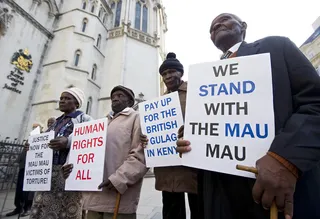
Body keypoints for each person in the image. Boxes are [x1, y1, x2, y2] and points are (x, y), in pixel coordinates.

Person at [176, 13, 320, 219]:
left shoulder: (277, 47)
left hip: (277, 198)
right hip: (221, 199)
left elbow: (315, 102)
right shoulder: (204, 79)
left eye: (224, 19)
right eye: (211, 27)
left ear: (243, 26)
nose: (216, 25)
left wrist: (286, 158)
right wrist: (189, 138)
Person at [62, 85, 148, 219]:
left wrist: (119, 179)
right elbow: (82, 150)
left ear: (130, 102)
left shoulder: (137, 118)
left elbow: (140, 155)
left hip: (119, 198)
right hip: (93, 199)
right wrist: (69, 166)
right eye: (113, 97)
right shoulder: (99, 123)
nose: (115, 99)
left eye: (120, 96)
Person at [140, 53, 198, 219]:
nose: (167, 76)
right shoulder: (159, 103)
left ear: (181, 73)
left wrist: (191, 129)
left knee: (199, 208)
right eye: (164, 74)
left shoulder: (196, 92)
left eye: (172, 72)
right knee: (171, 211)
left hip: (192, 165)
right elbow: (154, 132)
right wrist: (147, 138)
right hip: (168, 170)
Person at [27, 87, 93, 219]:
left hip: (67, 173)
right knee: (42, 209)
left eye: (67, 99)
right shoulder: (56, 122)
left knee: (66, 210)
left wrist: (68, 142)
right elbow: (45, 142)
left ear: (76, 103)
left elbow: (90, 137)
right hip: (48, 173)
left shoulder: (84, 119)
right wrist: (33, 146)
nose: (62, 101)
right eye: (61, 98)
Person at [6, 123, 43, 217]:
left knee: (28, 190)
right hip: (23, 167)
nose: (34, 129)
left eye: (36, 127)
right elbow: (24, 152)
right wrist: (17, 161)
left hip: (32, 168)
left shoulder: (42, 138)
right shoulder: (30, 138)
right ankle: (18, 207)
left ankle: (27, 208)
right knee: (19, 188)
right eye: (33, 127)